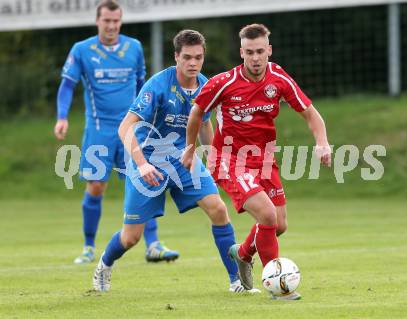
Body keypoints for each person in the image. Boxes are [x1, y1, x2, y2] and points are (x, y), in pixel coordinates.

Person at [92, 29, 258, 294]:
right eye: (187, 57)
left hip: (184, 160)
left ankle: (236, 282)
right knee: (131, 237)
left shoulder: (205, 85)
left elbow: (204, 125)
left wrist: (215, 160)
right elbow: (125, 127)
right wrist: (142, 164)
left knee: (218, 209)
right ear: (176, 57)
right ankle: (104, 264)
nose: (193, 63)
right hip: (148, 161)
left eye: (198, 57)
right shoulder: (157, 85)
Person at [182, 23, 332, 300]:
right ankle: (279, 288)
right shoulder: (224, 82)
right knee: (267, 215)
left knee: (279, 224)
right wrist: (190, 149)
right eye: (249, 52)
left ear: (269, 51)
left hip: (264, 160)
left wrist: (322, 142)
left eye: (260, 51)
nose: (255, 58)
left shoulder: (279, 79)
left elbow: (311, 113)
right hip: (228, 159)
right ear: (241, 52)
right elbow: (196, 113)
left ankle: (242, 253)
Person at [53, 0, 179, 264]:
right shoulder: (82, 50)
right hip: (99, 130)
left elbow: (143, 86)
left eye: (115, 21)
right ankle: (88, 247)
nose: (111, 26)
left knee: (145, 181)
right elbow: (67, 85)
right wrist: (62, 117)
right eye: (106, 21)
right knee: (96, 186)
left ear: (120, 21)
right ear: (97, 21)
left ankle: (153, 245)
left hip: (132, 130)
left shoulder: (134, 47)